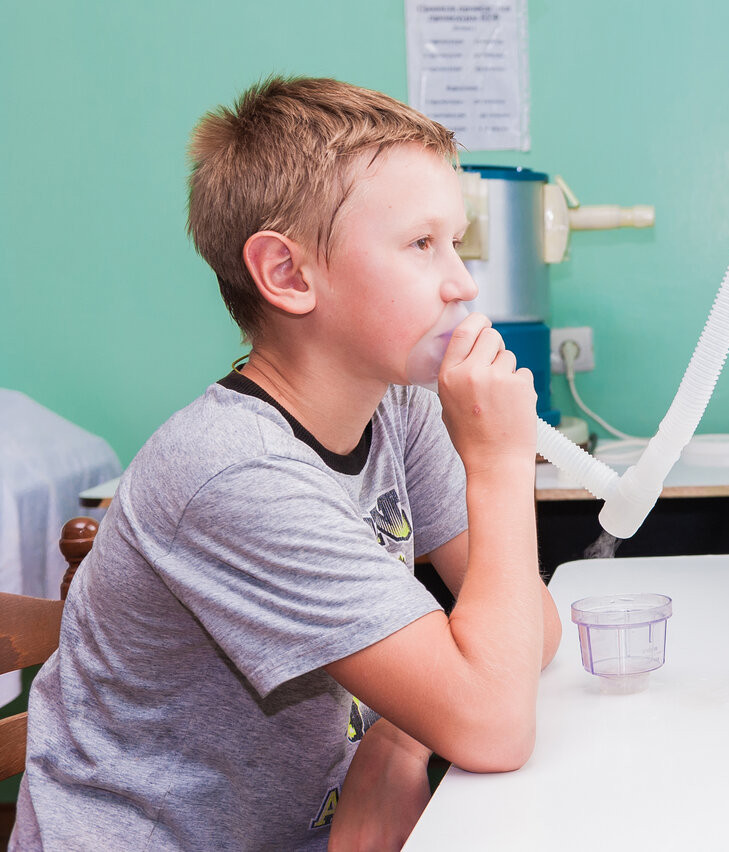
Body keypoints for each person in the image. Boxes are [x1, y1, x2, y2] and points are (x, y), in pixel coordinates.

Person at [10, 76, 561, 851]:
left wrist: (398, 742)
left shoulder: (394, 403)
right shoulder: (235, 475)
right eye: (421, 244)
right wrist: (499, 464)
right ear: (288, 274)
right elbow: (495, 724)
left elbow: (530, 632)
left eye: (456, 241)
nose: (463, 282)